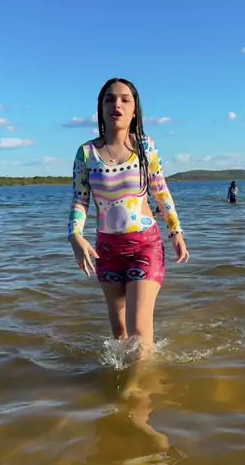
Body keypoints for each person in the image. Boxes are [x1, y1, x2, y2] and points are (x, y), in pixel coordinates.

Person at [68, 77, 189, 356]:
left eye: (125, 99)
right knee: (119, 335)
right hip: (107, 250)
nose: (117, 105)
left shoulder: (146, 147)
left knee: (139, 334)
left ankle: (143, 383)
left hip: (145, 245)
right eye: (109, 99)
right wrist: (75, 235)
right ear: (101, 108)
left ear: (135, 110)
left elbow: (161, 191)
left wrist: (175, 231)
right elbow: (80, 199)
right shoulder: (86, 153)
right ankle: (125, 380)